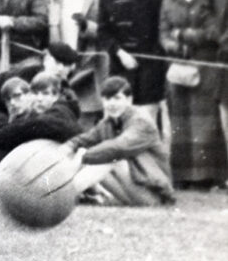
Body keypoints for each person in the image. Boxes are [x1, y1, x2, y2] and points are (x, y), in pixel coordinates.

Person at [158, 0, 228, 187]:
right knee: (179, 119)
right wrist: (173, 44)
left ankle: (207, 176)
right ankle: (183, 176)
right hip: (178, 65)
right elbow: (163, 32)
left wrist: (185, 35)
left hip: (205, 65)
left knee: (204, 120)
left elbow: (214, 31)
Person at [67, 77, 176, 206]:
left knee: (110, 159)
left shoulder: (141, 121)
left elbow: (118, 147)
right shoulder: (108, 123)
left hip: (155, 194)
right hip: (133, 189)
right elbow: (83, 139)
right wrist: (66, 148)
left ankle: (63, 195)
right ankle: (56, 191)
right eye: (107, 99)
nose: (112, 104)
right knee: (83, 151)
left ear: (129, 100)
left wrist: (82, 157)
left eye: (117, 98)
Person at [96, 0, 166, 123]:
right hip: (119, 66)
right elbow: (103, 32)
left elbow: (160, 29)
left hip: (148, 68)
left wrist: (148, 60)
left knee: (146, 121)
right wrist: (119, 52)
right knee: (119, 119)